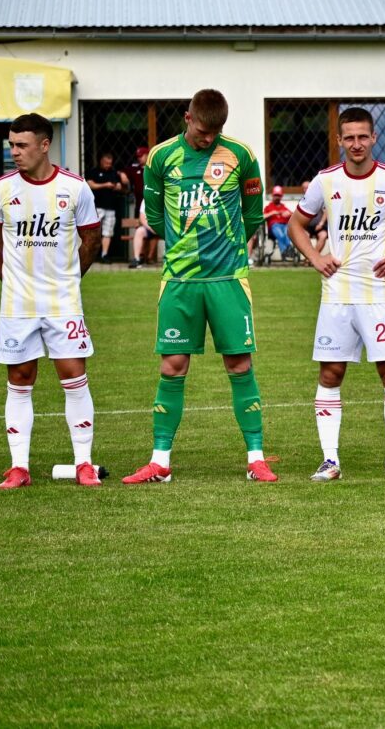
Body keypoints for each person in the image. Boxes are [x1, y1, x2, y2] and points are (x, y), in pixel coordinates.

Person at [124, 89, 273, 484]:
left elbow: (253, 216)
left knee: (239, 364)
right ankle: (160, 461)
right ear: (188, 118)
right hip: (180, 280)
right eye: (205, 131)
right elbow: (154, 217)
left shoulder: (240, 155)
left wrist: (227, 246)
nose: (210, 139)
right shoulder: (160, 157)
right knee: (172, 367)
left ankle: (256, 459)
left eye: (217, 131)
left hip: (228, 280)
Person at [290, 107, 385, 483]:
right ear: (340, 141)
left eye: (363, 137)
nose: (356, 144)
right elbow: (296, 224)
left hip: (380, 295)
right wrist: (315, 257)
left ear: (373, 139)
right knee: (331, 372)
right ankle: (329, 460)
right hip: (336, 294)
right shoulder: (324, 181)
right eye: (349, 137)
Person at [0, 113, 103, 489]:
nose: (14, 152)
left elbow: (92, 240)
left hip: (63, 302)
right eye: (11, 145)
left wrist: (69, 280)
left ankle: (84, 463)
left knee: (74, 377)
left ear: (44, 145)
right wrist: (13, 281)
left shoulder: (76, 188)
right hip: (18, 305)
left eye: (22, 145)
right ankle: (19, 467)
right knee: (20, 378)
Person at [85, 151, 128, 262]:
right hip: (97, 207)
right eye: (106, 162)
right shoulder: (93, 172)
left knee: (107, 232)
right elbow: (90, 184)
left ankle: (104, 255)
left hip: (111, 208)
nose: (108, 164)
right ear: (101, 161)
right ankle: (90, 255)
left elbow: (124, 189)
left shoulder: (114, 173)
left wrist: (119, 186)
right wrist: (105, 185)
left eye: (110, 163)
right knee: (93, 232)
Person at [262, 186, 294, 261]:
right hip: (274, 227)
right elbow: (262, 217)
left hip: (285, 225)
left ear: (281, 196)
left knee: (287, 232)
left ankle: (285, 250)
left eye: (279, 195)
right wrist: (272, 213)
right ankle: (287, 249)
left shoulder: (283, 207)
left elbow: (294, 215)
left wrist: (289, 214)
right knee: (280, 234)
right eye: (275, 195)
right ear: (272, 196)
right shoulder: (268, 207)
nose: (277, 197)